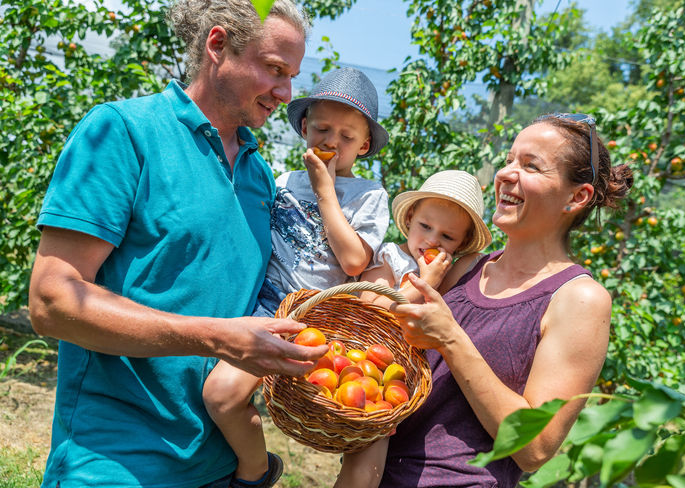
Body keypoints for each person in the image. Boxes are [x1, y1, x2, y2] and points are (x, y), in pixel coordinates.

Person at [26, 2, 332, 488]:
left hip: (216, 467)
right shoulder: (123, 132)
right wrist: (215, 335)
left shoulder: (258, 176)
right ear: (217, 46)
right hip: (116, 464)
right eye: (274, 70)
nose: (286, 93)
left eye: (292, 76)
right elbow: (51, 301)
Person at [335, 113, 634, 488]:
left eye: (530, 166)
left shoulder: (579, 298)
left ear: (577, 196)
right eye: (509, 160)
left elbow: (535, 448)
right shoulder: (465, 268)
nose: (507, 173)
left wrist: (451, 339)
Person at [201, 66, 391, 486]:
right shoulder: (279, 181)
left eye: (347, 137)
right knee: (221, 395)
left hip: (317, 321)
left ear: (363, 147)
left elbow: (354, 261)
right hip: (265, 308)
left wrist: (325, 191)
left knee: (357, 417)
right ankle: (257, 469)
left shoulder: (369, 195)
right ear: (304, 127)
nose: (331, 142)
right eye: (322, 128)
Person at [359, 170, 493, 308]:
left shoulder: (448, 275)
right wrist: (427, 283)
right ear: (410, 218)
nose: (432, 240)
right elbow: (369, 306)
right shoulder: (391, 258)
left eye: (447, 236)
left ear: (462, 244)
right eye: (425, 226)